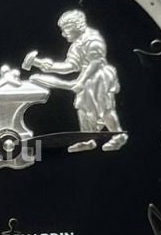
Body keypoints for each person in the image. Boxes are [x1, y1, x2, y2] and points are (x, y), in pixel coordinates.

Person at [26, 8, 127, 152]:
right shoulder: (76, 45)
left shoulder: (93, 40)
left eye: (65, 29)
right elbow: (70, 66)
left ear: (75, 26)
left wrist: (81, 81)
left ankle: (118, 136)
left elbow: (95, 63)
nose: (63, 34)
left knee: (104, 108)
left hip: (100, 78)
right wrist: (49, 66)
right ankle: (87, 139)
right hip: (87, 79)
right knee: (83, 108)